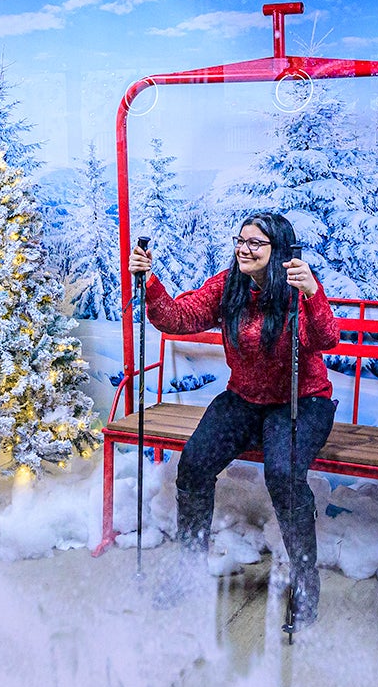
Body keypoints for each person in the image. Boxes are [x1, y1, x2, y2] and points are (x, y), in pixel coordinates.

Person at [130, 212, 340, 624]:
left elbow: (325, 338)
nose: (244, 249)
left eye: (255, 243)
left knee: (283, 474)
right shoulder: (228, 286)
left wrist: (312, 293)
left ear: (278, 250)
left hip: (301, 401)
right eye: (241, 241)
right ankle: (189, 568)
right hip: (244, 397)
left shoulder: (297, 288)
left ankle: (304, 580)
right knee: (193, 464)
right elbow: (178, 318)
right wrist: (150, 281)